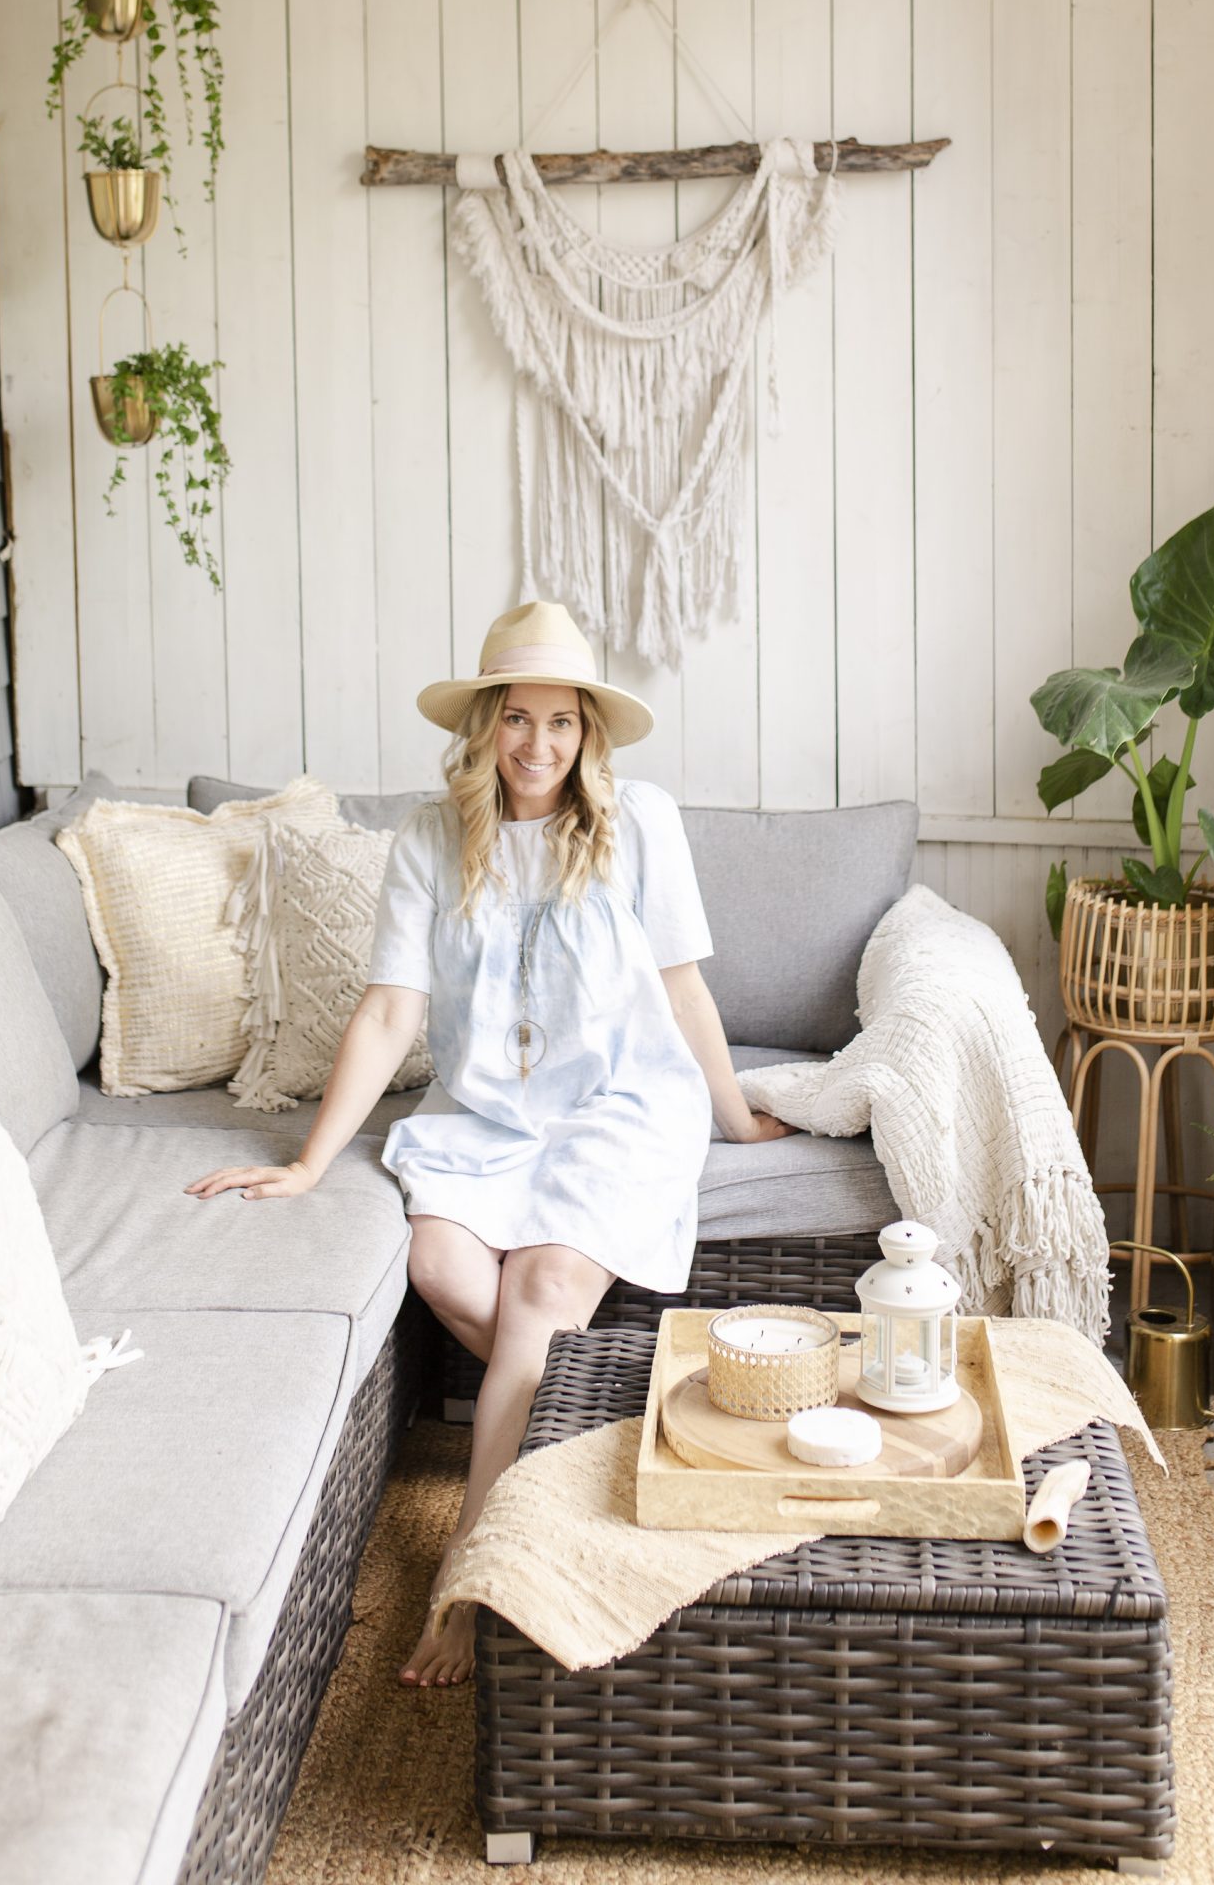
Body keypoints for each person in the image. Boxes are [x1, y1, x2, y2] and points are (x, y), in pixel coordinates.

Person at [187, 600, 792, 1686]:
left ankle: (471, 1568)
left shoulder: (640, 819)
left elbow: (679, 982)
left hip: (618, 1105)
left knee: (546, 1284)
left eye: (563, 723)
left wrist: (734, 1114)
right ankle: (584, 1431)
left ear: (589, 733)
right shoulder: (431, 836)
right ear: (485, 725)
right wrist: (309, 1161)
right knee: (441, 1266)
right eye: (518, 718)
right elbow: (387, 1011)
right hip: (488, 1116)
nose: (539, 746)